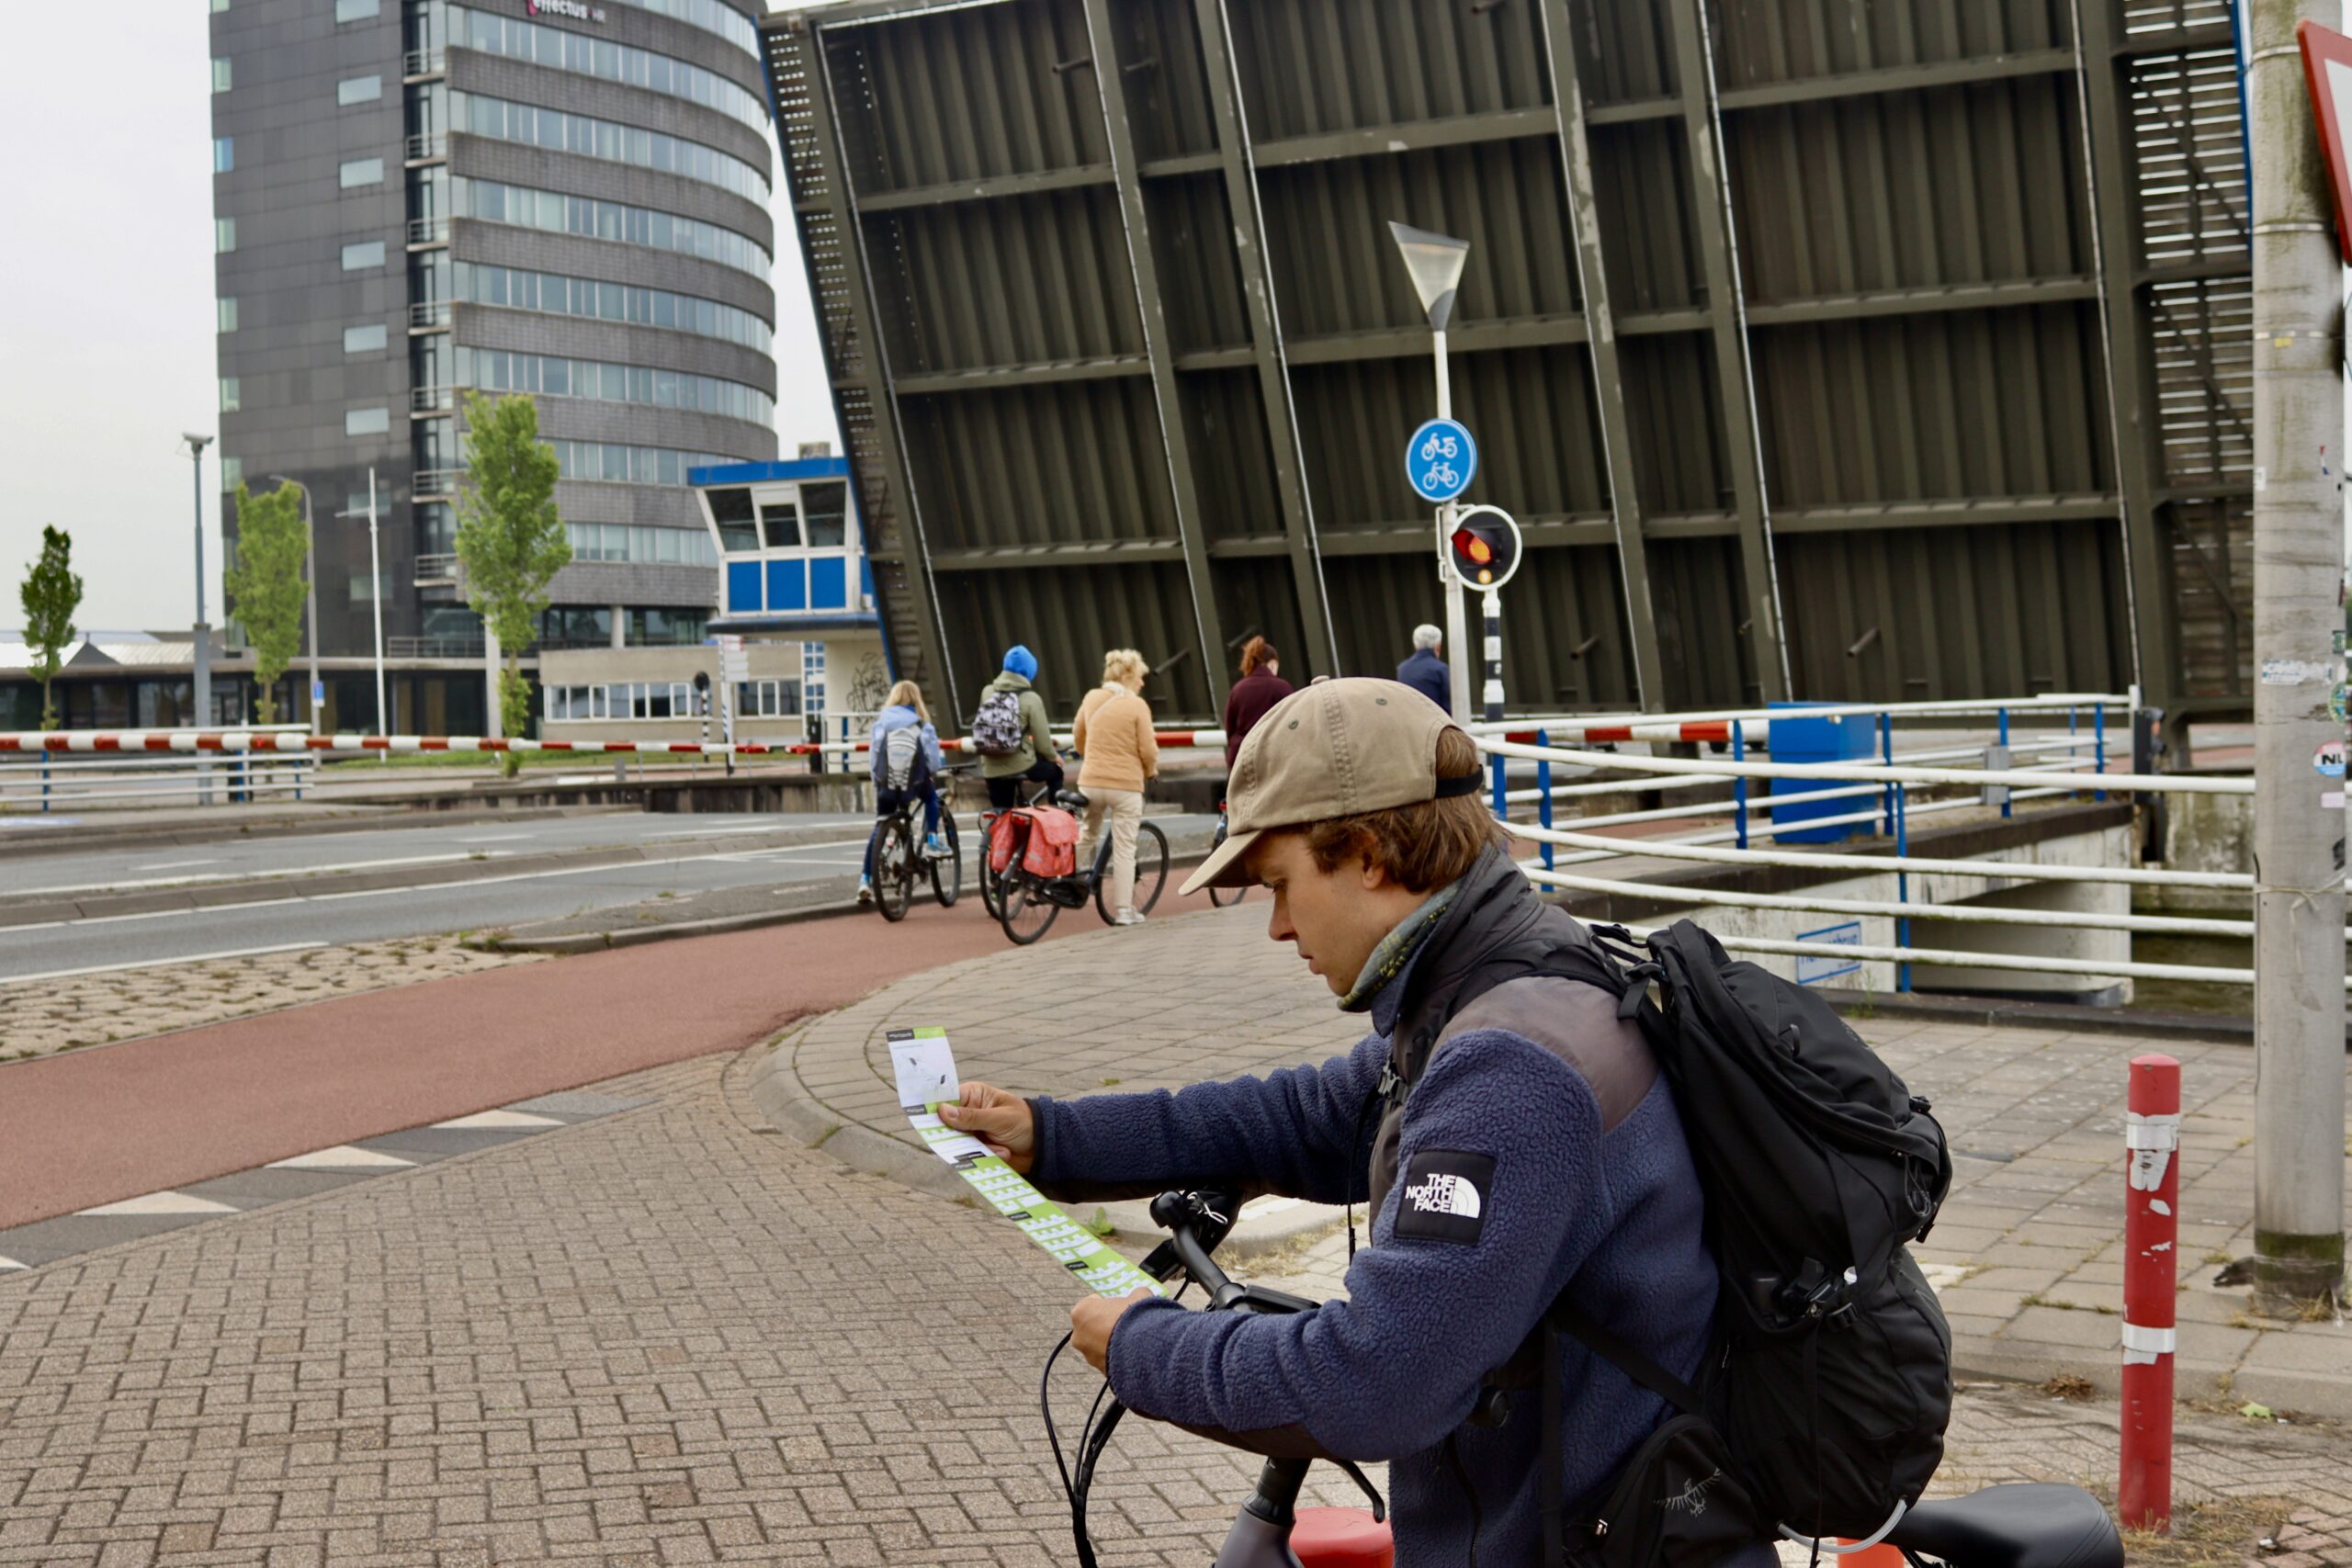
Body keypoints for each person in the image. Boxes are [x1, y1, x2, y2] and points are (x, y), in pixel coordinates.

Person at [942, 679, 1759, 1568]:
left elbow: (1377, 1378)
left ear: (1367, 854)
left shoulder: (1515, 1065)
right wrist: (1050, 1135)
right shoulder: (1490, 988)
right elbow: (1296, 1118)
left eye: (1282, 885)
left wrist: (1143, 1345)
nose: (1278, 927)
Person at [1071, 649, 1160, 926]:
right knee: (1124, 847)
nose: (1143, 684)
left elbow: (1078, 736)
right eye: (1140, 677)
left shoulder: (1091, 697)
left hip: (1091, 781)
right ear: (1129, 675)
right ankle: (1123, 911)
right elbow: (1147, 748)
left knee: (1087, 833)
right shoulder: (1137, 706)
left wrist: (1092, 757)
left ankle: (1055, 878)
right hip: (1125, 785)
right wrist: (1151, 770)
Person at [857, 680, 944, 904]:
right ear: (916, 700)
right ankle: (933, 840)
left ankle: (865, 879)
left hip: (887, 785)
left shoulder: (882, 723)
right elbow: (932, 761)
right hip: (914, 784)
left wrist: (878, 784)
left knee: (880, 826)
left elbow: (874, 758)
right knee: (932, 799)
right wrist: (931, 773)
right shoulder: (922, 724)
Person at [978, 645, 1063, 810]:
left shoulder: (987, 692)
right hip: (1021, 764)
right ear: (1029, 671)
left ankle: (993, 833)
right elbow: (1043, 743)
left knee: (1001, 814)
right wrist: (1054, 758)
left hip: (990, 767)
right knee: (1056, 773)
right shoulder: (1031, 698)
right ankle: (1056, 814)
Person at [1220, 636, 1292, 771]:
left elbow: (1230, 729)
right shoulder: (1281, 687)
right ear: (1272, 663)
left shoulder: (1237, 689)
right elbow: (1292, 724)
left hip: (1242, 759)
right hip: (1273, 759)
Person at [1396, 623, 1450, 714]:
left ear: (1415, 645)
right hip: (1434, 723)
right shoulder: (1441, 669)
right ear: (1438, 646)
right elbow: (1449, 705)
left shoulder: (1402, 669)